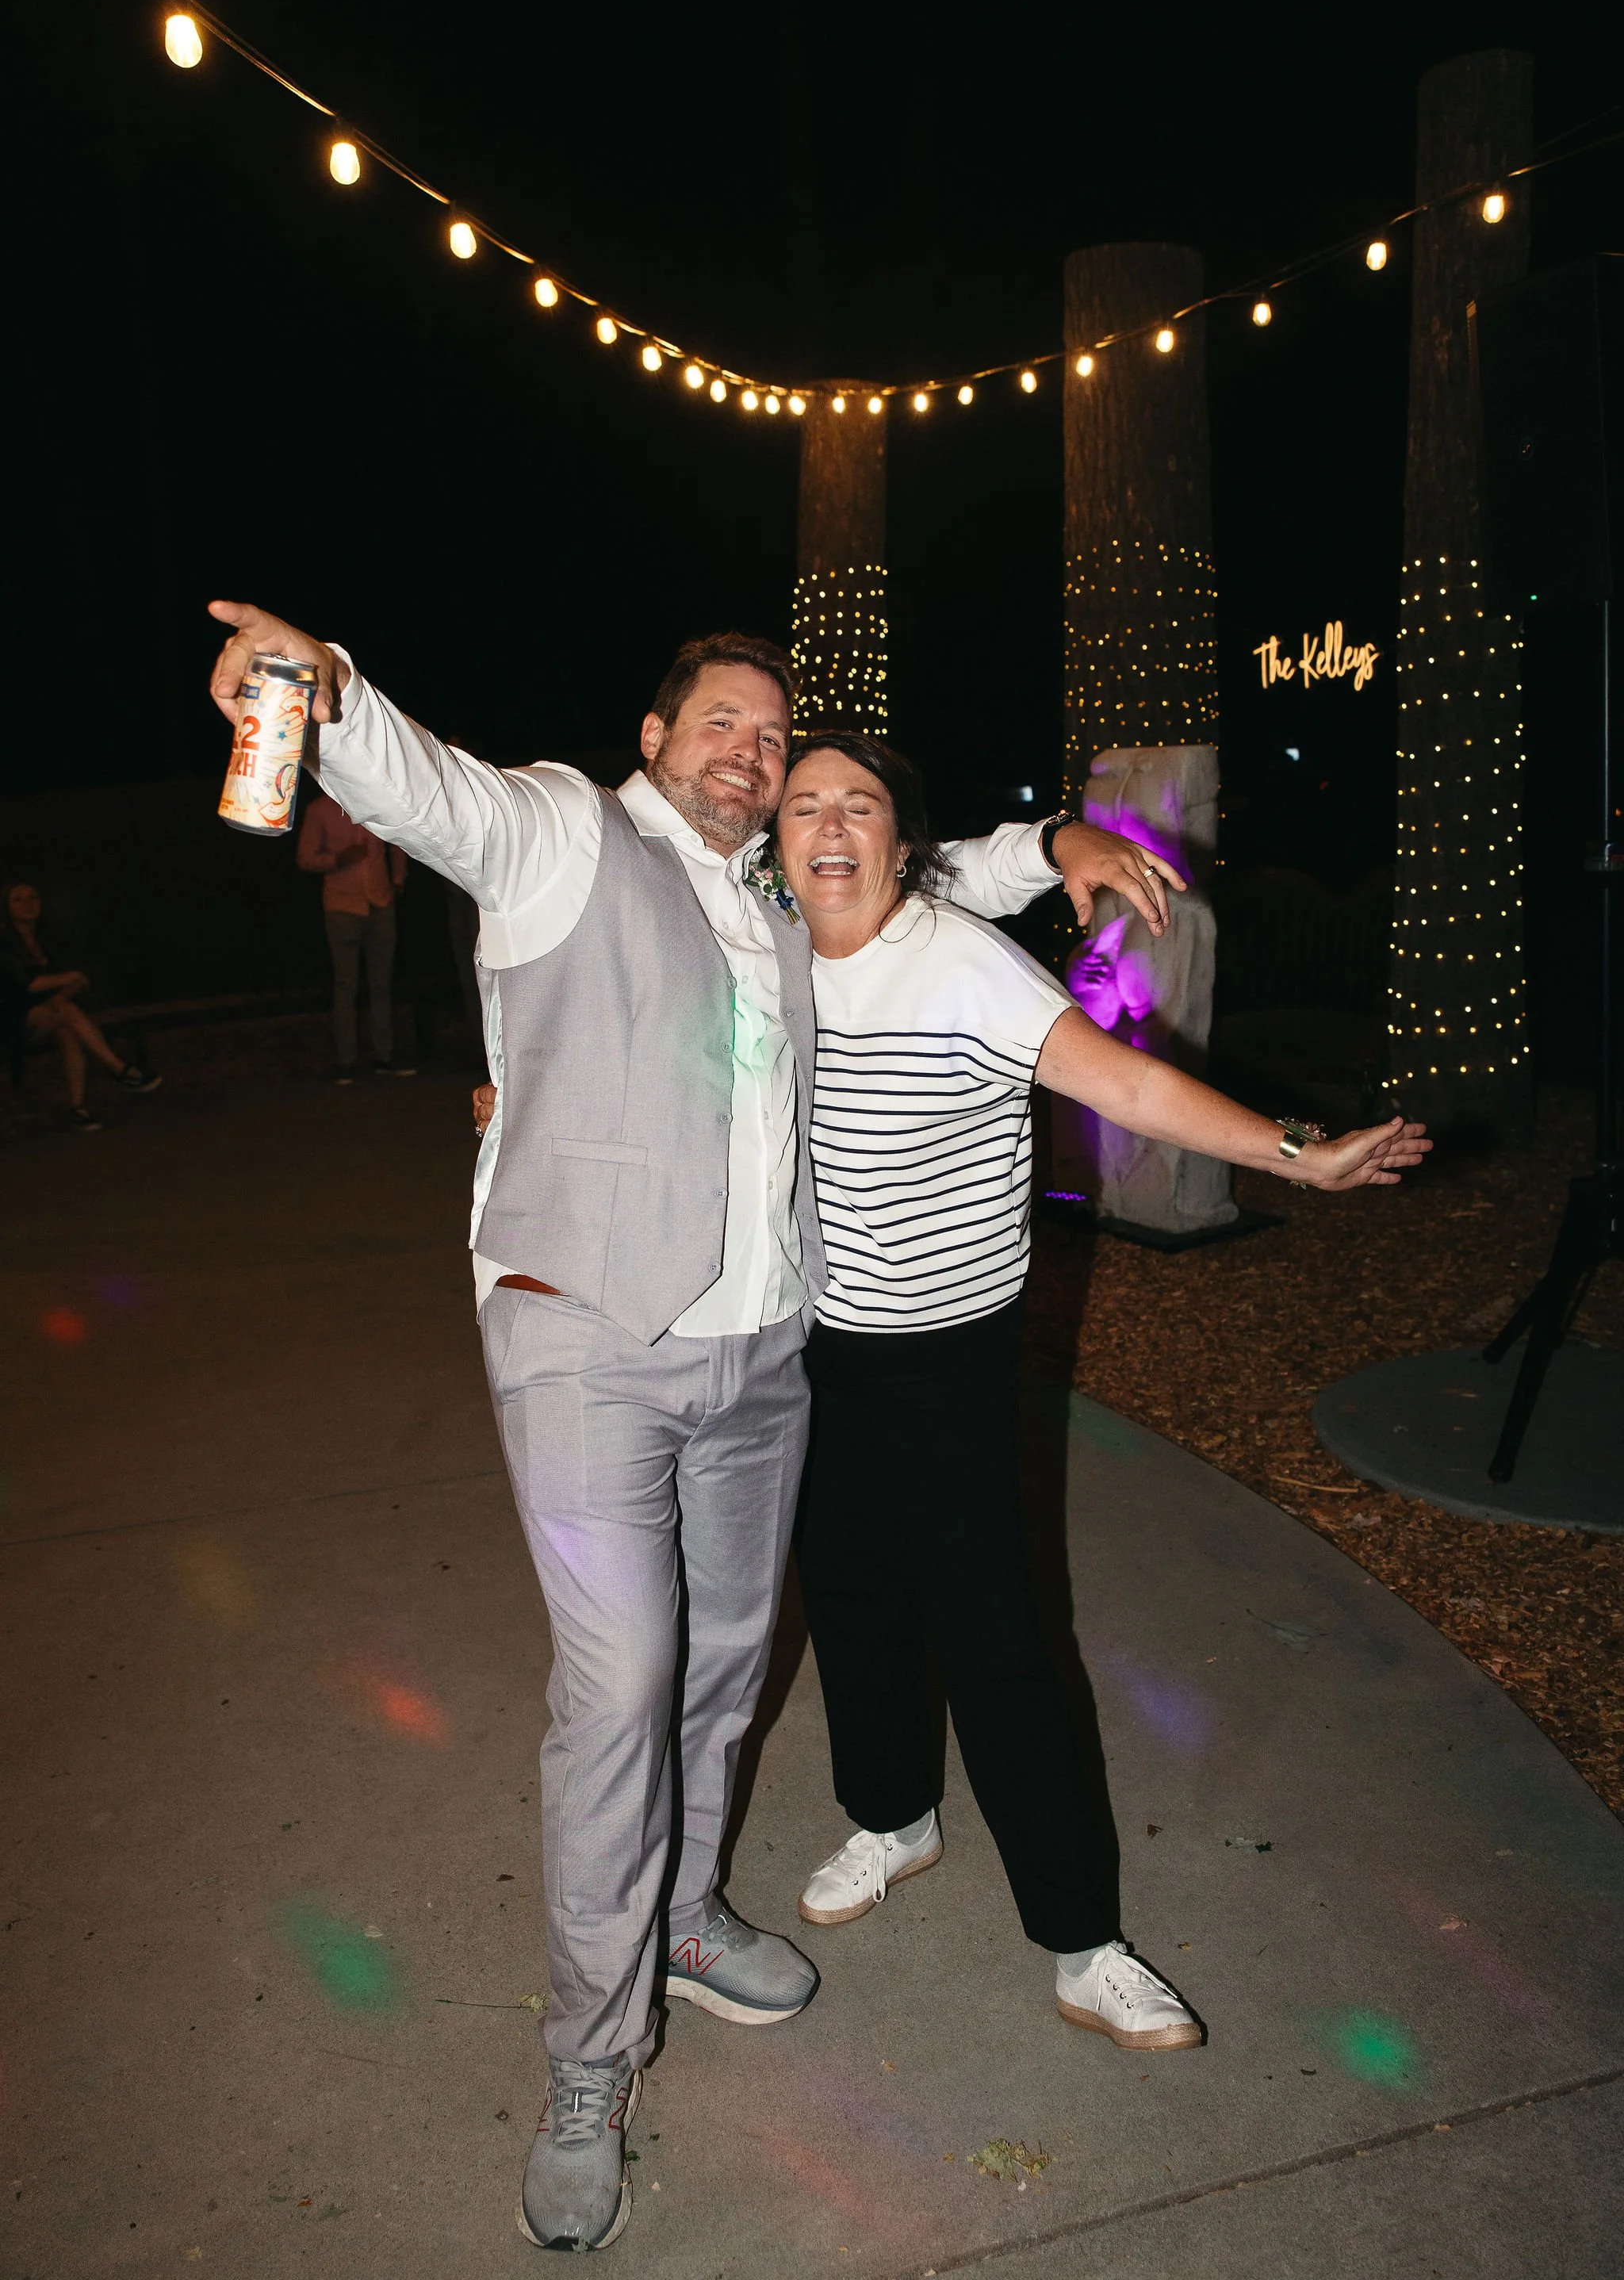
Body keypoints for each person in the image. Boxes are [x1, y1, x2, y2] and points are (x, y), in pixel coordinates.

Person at [205, 598, 1178, 2254]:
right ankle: (589, 2064)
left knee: (728, 1663)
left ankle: (681, 1912)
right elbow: (431, 789)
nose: (748, 745)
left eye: (768, 728)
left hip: (760, 1362)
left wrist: (1063, 831)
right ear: (654, 741)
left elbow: (932, 878)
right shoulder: (564, 835)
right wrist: (333, 695)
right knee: (624, 1688)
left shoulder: (780, 897)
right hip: (586, 1345)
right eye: (718, 720)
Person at [774, 734, 1429, 2048]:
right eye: (804, 807)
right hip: (815, 1343)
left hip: (948, 1354)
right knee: (847, 1596)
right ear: (774, 842)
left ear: (906, 845)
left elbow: (1123, 1077)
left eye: (859, 807)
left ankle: (1081, 1939)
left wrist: (1293, 1152)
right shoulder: (762, 939)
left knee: (992, 1639)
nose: (829, 829)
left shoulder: (957, 959)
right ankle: (891, 1816)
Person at [0, 881, 162, 1130]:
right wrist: (69, 979)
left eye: (32, 897)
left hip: (51, 1014)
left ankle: (78, 1108)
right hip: (13, 1018)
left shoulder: (48, 939)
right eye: (18, 899)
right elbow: (28, 985)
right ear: (7, 907)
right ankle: (118, 1069)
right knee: (68, 1013)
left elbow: (82, 977)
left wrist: (63, 993)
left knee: (68, 1030)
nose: (27, 904)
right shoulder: (5, 944)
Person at [296, 788, 415, 1083]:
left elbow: (396, 843)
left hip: (380, 902)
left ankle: (384, 1058)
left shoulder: (373, 800)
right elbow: (305, 857)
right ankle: (346, 1061)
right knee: (346, 984)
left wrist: (398, 880)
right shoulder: (320, 810)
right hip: (342, 906)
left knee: (381, 984)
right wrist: (338, 858)